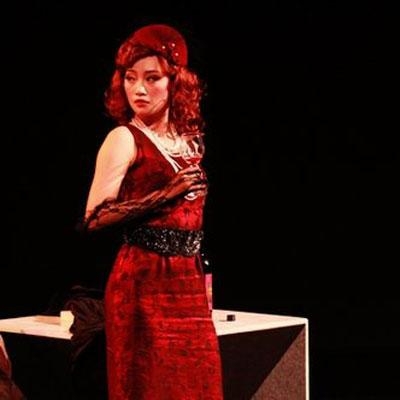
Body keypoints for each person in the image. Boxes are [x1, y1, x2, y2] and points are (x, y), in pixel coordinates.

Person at [79, 23, 224, 399]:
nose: (138, 89)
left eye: (152, 78)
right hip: (142, 283)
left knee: (199, 387)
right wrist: (163, 195)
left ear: (177, 82)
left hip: (188, 283)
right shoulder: (123, 138)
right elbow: (93, 217)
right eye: (130, 78)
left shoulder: (188, 141)